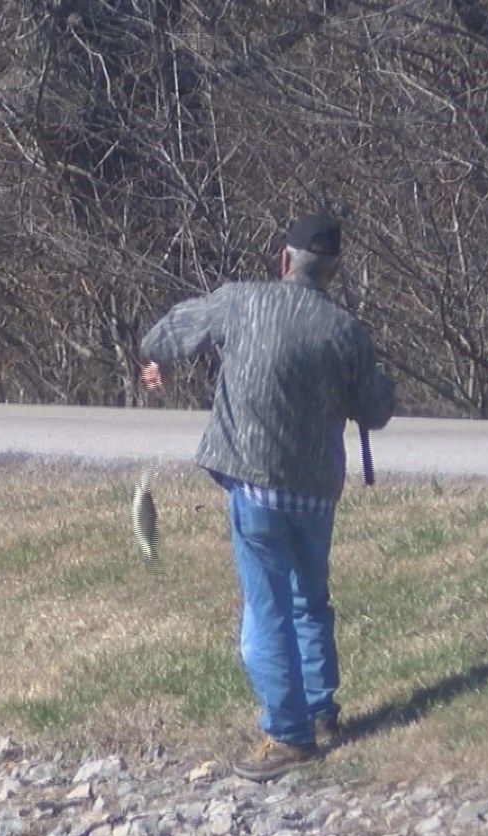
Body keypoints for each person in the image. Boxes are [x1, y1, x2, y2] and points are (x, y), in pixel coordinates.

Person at [138, 214, 396, 782]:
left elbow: (168, 332)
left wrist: (152, 354)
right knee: (309, 598)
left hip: (254, 487)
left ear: (284, 261)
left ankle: (287, 734)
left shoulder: (241, 303)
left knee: (266, 609)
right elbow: (376, 408)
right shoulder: (346, 331)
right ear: (332, 270)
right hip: (317, 492)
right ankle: (320, 707)